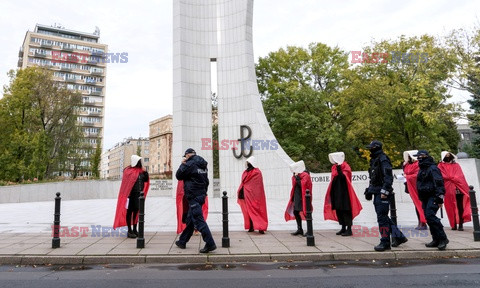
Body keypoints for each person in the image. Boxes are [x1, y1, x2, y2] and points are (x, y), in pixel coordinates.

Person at [365, 140, 408, 251]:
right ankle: (398, 236)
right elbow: (374, 178)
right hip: (377, 191)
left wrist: (385, 191)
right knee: (383, 217)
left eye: (371, 148)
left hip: (382, 193)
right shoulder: (375, 159)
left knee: (382, 219)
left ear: (376, 148)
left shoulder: (383, 159)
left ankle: (385, 242)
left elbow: (388, 177)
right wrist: (370, 190)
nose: (369, 149)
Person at [175, 148, 216, 253]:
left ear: (188, 155)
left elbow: (178, 175)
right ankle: (182, 241)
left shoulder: (190, 164)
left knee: (198, 220)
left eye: (185, 156)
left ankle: (210, 243)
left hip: (193, 196)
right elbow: (206, 181)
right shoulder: (202, 164)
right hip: (201, 195)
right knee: (191, 219)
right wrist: (203, 193)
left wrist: (183, 164)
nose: (185, 158)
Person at [415, 150, 449, 250]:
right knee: (428, 218)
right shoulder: (422, 168)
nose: (418, 158)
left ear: (425, 156)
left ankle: (443, 238)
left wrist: (439, 198)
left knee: (430, 215)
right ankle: (436, 239)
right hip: (425, 197)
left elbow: (439, 183)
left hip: (433, 196)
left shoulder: (432, 168)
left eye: (420, 156)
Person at [324, 152, 362, 236]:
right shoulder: (334, 167)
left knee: (346, 210)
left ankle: (349, 229)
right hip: (336, 191)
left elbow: (344, 177)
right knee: (339, 209)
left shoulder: (345, 166)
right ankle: (343, 227)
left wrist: (339, 168)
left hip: (344, 192)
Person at [113, 155, 150, 238]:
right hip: (130, 195)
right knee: (129, 212)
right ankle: (129, 230)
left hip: (139, 195)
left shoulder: (141, 171)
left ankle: (134, 229)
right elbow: (126, 184)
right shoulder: (128, 170)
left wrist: (145, 172)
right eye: (138, 161)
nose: (140, 163)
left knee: (137, 212)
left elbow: (146, 180)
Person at [438, 151, 472, 231]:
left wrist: (452, 178)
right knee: (450, 206)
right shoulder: (440, 166)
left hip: (458, 188)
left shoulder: (456, 165)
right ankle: (453, 224)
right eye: (446, 156)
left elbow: (460, 176)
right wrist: (452, 178)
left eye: (449, 155)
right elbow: (442, 176)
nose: (448, 157)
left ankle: (460, 223)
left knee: (460, 206)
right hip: (448, 188)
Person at [237, 156, 268, 234]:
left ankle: (260, 227)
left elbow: (257, 185)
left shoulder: (257, 172)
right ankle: (251, 226)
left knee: (257, 210)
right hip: (246, 194)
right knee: (248, 211)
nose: (247, 164)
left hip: (256, 196)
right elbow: (244, 183)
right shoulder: (246, 172)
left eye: (248, 162)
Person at [285, 160, 313, 236]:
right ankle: (299, 229)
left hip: (303, 197)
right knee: (296, 212)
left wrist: (297, 178)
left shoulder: (305, 175)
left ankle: (309, 230)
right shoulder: (298, 176)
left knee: (306, 213)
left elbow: (302, 185)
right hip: (297, 197)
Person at [402, 150, 427, 230]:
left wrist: (407, 176)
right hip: (411, 187)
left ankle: (423, 222)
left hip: (418, 187)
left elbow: (417, 175)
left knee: (420, 204)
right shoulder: (408, 165)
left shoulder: (418, 164)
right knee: (416, 205)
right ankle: (420, 221)